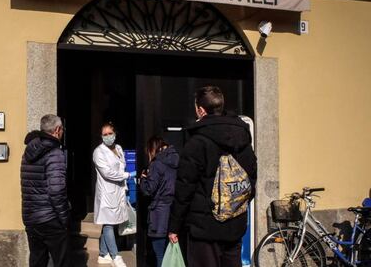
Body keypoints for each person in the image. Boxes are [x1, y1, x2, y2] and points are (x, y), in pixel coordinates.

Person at [168, 86, 257, 267]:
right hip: (235, 225)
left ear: (200, 110)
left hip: (204, 229)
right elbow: (251, 177)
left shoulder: (197, 142)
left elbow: (185, 187)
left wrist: (174, 226)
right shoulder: (242, 137)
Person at [21, 114, 70, 267]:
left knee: (37, 260)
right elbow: (56, 190)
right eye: (62, 129)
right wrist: (64, 217)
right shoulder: (55, 153)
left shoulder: (28, 151)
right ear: (57, 130)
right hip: (50, 218)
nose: (62, 132)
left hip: (31, 217)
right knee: (62, 261)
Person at [93, 122, 135, 267]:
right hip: (107, 192)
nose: (108, 137)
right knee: (109, 224)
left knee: (111, 222)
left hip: (118, 191)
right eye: (104, 134)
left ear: (115, 134)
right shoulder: (99, 152)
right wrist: (128, 176)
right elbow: (108, 173)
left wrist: (125, 186)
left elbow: (121, 165)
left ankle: (103, 254)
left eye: (110, 133)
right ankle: (115, 256)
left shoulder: (118, 148)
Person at [139, 136, 179, 267]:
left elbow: (149, 190)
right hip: (174, 211)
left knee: (160, 254)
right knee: (170, 253)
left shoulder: (157, 164)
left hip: (159, 213)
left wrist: (143, 179)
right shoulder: (176, 159)